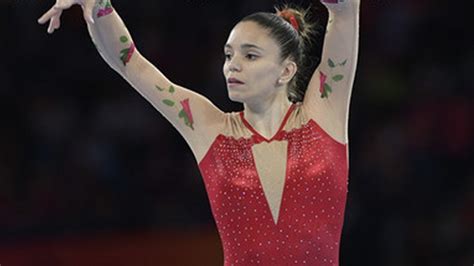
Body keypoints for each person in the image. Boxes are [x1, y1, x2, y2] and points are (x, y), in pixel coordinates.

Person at [38, 0, 360, 265]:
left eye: (250, 55)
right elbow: (129, 62)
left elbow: (344, 14)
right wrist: (99, 5)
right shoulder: (210, 128)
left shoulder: (323, 114)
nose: (232, 65)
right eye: (229, 54)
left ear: (286, 70)